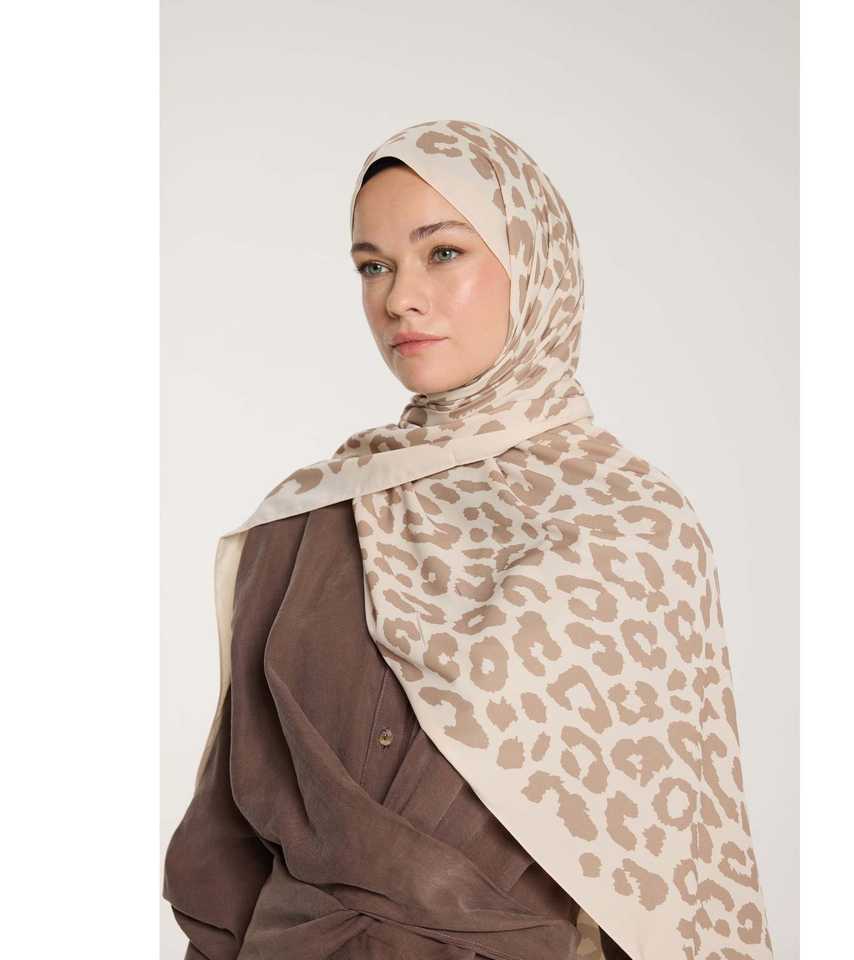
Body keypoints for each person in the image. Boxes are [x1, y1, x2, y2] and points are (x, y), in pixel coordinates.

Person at [162, 120, 774, 960]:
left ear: (535, 266)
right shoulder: (307, 518)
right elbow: (227, 844)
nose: (398, 298)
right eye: (373, 266)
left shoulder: (633, 528)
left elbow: (678, 874)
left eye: (442, 253)